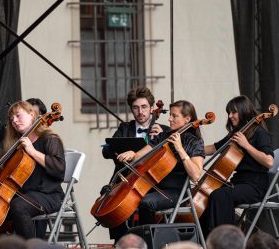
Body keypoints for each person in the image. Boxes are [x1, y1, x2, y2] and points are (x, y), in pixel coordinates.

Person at [0, 100, 65, 239]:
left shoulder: (49, 139)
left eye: (18, 116)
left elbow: (59, 169)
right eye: (11, 119)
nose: (15, 121)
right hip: (23, 193)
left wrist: (32, 151)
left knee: (18, 206)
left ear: (32, 114)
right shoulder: (16, 141)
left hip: (48, 194)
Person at [116, 100, 205, 228]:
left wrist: (180, 149)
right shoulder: (163, 136)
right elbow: (140, 155)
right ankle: (125, 239)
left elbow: (196, 175)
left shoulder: (195, 142)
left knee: (145, 202)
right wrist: (132, 155)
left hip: (177, 192)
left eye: (174, 116)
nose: (169, 119)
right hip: (154, 187)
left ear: (187, 119)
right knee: (125, 197)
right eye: (170, 115)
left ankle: (148, 241)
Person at [102, 86, 170, 241]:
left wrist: (160, 139)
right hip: (125, 179)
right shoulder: (124, 128)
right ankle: (120, 241)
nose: (140, 112)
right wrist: (121, 152)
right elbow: (107, 151)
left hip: (152, 183)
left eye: (144, 107)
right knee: (109, 197)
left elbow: (168, 158)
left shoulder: (164, 130)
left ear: (152, 109)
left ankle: (148, 242)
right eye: (136, 108)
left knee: (146, 202)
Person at [200, 95, 274, 235]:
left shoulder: (259, 132)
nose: (230, 116)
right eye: (229, 112)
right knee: (208, 194)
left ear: (244, 111)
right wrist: (191, 149)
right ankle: (207, 238)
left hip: (255, 186)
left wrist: (246, 145)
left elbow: (269, 161)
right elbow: (214, 148)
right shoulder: (237, 133)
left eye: (233, 112)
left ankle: (225, 239)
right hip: (238, 182)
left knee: (221, 196)